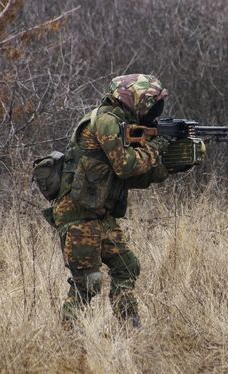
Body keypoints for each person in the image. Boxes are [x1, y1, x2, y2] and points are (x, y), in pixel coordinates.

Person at [52, 74, 171, 328]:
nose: (151, 111)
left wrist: (169, 164)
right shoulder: (106, 121)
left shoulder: (121, 123)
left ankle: (129, 325)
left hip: (99, 214)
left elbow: (129, 178)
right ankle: (67, 339)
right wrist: (155, 148)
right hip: (77, 214)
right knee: (87, 282)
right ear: (132, 100)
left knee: (127, 266)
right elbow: (126, 166)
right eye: (148, 103)